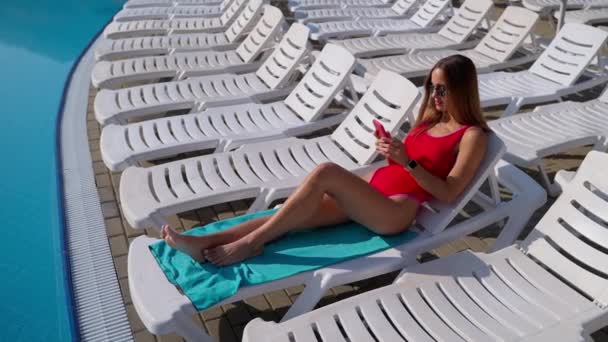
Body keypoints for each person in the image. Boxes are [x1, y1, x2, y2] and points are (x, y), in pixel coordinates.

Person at [160, 54, 490, 266]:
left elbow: (449, 193)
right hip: (371, 195)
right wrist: (393, 150)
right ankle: (201, 242)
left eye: (443, 89)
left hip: (396, 212)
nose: (435, 96)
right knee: (286, 215)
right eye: (431, 87)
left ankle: (248, 244)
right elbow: (408, 162)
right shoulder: (431, 119)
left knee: (325, 172)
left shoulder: (471, 134)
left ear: (463, 90)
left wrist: (407, 162)